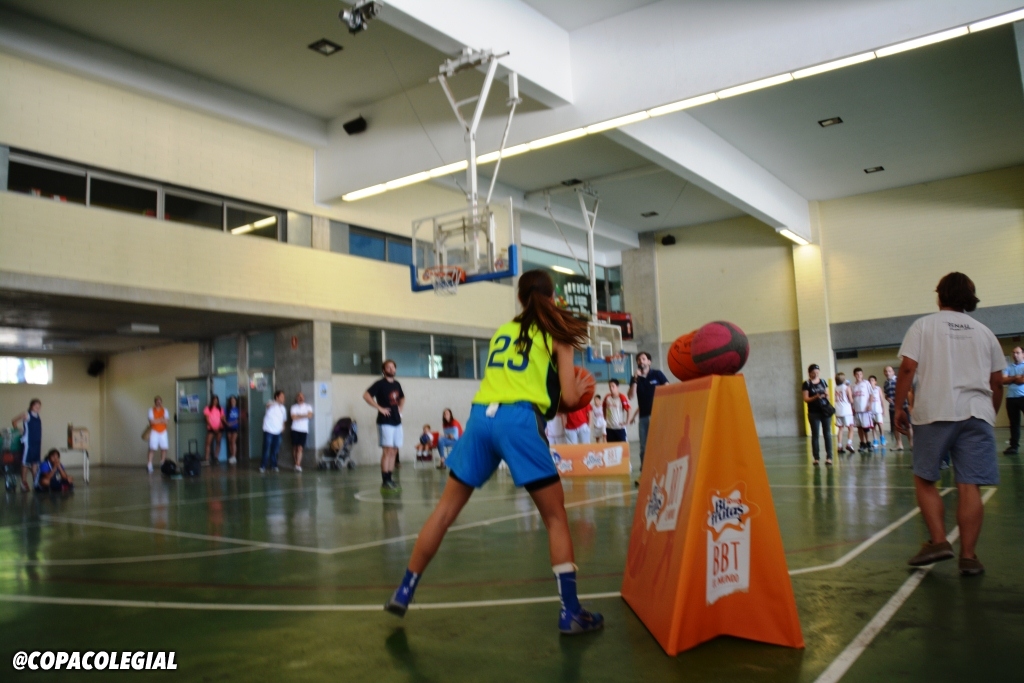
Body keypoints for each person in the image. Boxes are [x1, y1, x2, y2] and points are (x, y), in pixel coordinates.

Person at [383, 269, 602, 634]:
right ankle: (571, 612)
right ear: (552, 297)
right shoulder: (557, 333)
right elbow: (566, 398)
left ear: (519, 298)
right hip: (518, 420)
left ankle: (404, 590)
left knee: (444, 512)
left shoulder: (503, 331)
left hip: (480, 418)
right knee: (555, 518)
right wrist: (579, 391)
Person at [895, 272, 1004, 576]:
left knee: (925, 478)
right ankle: (968, 557)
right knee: (969, 484)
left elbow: (907, 368)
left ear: (940, 296)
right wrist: (989, 412)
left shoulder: (923, 326)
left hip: (935, 411)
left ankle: (939, 540)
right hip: (977, 413)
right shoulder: (985, 333)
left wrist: (898, 407)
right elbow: (997, 382)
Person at [364, 360, 405, 494]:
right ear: (384, 370)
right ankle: (385, 480)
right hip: (385, 422)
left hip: (397, 421)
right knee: (387, 451)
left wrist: (400, 408)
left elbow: (402, 397)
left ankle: (390, 478)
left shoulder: (397, 384)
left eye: (393, 367)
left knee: (394, 451)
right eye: (388, 367)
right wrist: (379, 408)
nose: (391, 369)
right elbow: (366, 395)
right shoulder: (380, 384)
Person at [628, 351, 670, 470]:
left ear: (649, 362)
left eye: (643, 359)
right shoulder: (635, 378)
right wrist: (635, 379)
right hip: (643, 417)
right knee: (644, 447)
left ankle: (662, 468)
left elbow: (668, 388)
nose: (641, 361)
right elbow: (630, 396)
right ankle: (644, 471)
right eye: (638, 359)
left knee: (660, 444)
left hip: (658, 415)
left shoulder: (657, 374)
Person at [802, 364, 833, 466]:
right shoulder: (806, 384)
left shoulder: (823, 382)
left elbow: (828, 395)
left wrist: (826, 396)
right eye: (813, 373)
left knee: (827, 434)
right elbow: (806, 399)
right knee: (815, 435)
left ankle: (829, 457)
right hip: (813, 412)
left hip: (825, 411)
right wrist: (816, 397)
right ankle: (816, 458)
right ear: (809, 373)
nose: (815, 374)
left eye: (817, 372)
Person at [12, 399, 42, 493]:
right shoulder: (26, 414)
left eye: (39, 407)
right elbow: (14, 421)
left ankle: (35, 482)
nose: (38, 408)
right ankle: (23, 483)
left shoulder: (37, 416)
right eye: (36, 406)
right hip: (28, 443)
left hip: (37, 443)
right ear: (31, 406)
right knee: (25, 463)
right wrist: (19, 430)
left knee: (35, 462)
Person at [1001, 346, 1024, 455]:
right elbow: (1003, 380)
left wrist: (1011, 379)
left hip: (1023, 397)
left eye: (1017, 352)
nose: (1015, 355)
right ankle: (1013, 447)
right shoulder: (1008, 367)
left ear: (1023, 354)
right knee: (1014, 424)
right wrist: (1015, 377)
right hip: (1011, 399)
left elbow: (1022, 380)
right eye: (1013, 353)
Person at [260, 390, 287, 473]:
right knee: (266, 448)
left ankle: (274, 465)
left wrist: (283, 427)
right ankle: (263, 466)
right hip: (268, 430)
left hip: (278, 431)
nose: (283, 398)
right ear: (277, 397)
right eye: (282, 397)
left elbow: (283, 420)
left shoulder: (283, 408)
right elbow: (268, 405)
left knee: (275, 450)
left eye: (284, 397)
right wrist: (277, 402)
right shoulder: (271, 403)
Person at [851, 368, 873, 452]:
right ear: (854, 375)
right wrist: (852, 408)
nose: (859, 376)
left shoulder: (866, 383)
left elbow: (871, 394)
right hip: (857, 409)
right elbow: (851, 397)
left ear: (862, 374)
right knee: (859, 427)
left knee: (866, 427)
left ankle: (868, 442)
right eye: (857, 374)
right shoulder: (853, 386)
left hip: (865, 409)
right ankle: (862, 443)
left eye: (860, 374)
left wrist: (870, 404)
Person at [290, 392, 313, 472]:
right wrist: (304, 415)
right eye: (299, 397)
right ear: (296, 399)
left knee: (300, 448)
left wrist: (298, 415)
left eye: (302, 397)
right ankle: (295, 463)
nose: (300, 398)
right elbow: (293, 417)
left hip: (304, 430)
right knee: (295, 447)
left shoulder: (308, 406)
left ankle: (298, 464)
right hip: (294, 429)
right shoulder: (293, 407)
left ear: (304, 398)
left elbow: (310, 416)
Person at [146, 396, 169, 473]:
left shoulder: (165, 410)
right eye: (157, 401)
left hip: (163, 431)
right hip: (154, 431)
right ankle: (149, 465)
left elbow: (166, 421)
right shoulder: (151, 410)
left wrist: (156, 420)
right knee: (152, 448)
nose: (158, 402)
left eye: (160, 401)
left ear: (161, 402)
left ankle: (162, 463)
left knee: (164, 448)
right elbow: (151, 422)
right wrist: (161, 419)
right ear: (155, 402)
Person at [603, 379, 630, 443]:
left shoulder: (622, 397)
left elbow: (628, 409)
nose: (611, 388)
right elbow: (604, 407)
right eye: (610, 386)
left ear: (617, 387)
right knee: (611, 447)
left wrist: (627, 421)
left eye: (613, 386)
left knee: (622, 446)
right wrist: (605, 418)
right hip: (609, 428)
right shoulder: (607, 397)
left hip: (619, 428)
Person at [883, 366, 904, 451]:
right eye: (886, 371)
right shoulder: (886, 383)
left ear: (893, 372)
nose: (888, 373)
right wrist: (887, 398)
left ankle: (912, 444)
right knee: (895, 426)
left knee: (908, 425)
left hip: (902, 406)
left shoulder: (899, 380)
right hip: (892, 408)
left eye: (889, 371)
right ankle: (899, 444)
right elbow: (886, 395)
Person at [834, 373, 855, 453]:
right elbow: (851, 400)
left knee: (840, 428)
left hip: (838, 410)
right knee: (851, 428)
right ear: (843, 379)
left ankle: (839, 446)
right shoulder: (846, 387)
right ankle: (849, 443)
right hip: (846, 410)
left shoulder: (836, 388)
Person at [203, 395, 224, 465]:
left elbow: (222, 418)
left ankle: (216, 458)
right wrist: (212, 427)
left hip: (219, 428)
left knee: (218, 442)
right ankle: (207, 459)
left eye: (216, 400)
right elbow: (207, 419)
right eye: (214, 400)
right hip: (211, 428)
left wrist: (220, 425)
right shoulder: (208, 408)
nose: (215, 401)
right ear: (212, 401)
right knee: (208, 443)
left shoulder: (220, 409)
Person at [868, 375, 886, 449]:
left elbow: (882, 399)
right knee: (873, 427)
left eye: (872, 380)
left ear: (875, 382)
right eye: (869, 380)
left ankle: (882, 437)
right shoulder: (867, 389)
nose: (871, 382)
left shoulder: (878, 388)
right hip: (871, 411)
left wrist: (884, 409)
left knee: (880, 424)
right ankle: (875, 440)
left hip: (878, 410)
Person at [225, 395, 241, 465]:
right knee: (230, 441)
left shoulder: (238, 409)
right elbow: (224, 417)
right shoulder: (227, 409)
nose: (232, 402)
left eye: (234, 400)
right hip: (228, 427)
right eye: (231, 401)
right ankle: (232, 456)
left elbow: (239, 419)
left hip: (235, 427)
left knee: (233, 441)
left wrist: (232, 423)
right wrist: (227, 423)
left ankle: (234, 456)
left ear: (236, 401)